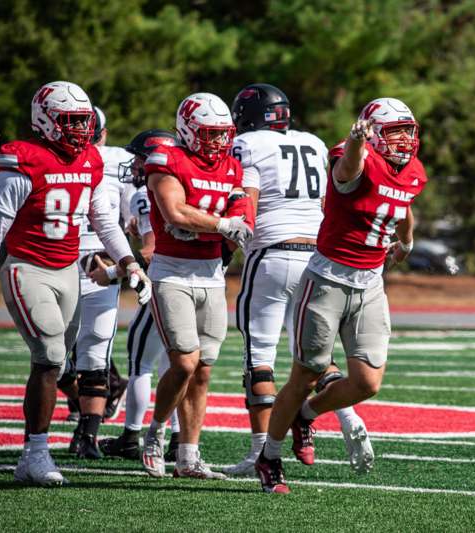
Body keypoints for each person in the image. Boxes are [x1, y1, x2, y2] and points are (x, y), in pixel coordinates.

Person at [0, 81, 151, 486]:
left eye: (83, 121)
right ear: (45, 120)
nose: (80, 129)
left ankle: (34, 451)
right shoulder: (24, 158)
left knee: (59, 362)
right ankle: (36, 453)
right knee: (48, 357)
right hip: (27, 269)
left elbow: (102, 219)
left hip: (69, 272)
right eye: (70, 120)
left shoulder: (90, 159)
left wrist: (129, 261)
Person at [255, 97, 427, 493]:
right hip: (328, 280)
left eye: (407, 130)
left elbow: (404, 203)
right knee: (305, 374)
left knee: (367, 382)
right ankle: (270, 457)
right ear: (372, 132)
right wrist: (356, 142)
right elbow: (347, 172)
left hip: (371, 284)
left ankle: (306, 415)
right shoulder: (355, 155)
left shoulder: (413, 170)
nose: (404, 139)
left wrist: (406, 242)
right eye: (394, 131)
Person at [223, 83, 371, 476]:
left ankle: (260, 453)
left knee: (260, 359)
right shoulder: (312, 143)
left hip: (272, 254)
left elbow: (247, 201)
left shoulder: (247, 144)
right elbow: (327, 202)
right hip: (315, 256)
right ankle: (349, 418)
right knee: (313, 355)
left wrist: (229, 245)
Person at [140, 93, 253, 479]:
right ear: (187, 131)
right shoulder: (167, 159)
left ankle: (188, 456)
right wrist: (220, 224)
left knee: (203, 370)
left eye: (223, 133)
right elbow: (175, 212)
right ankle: (155, 432)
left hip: (211, 274)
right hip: (172, 273)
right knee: (184, 363)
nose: (218, 141)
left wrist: (219, 222)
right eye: (209, 133)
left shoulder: (231, 166)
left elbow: (241, 212)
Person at [98, 129, 182, 461]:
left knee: (141, 363)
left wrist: (110, 273)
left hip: (164, 284)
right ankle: (180, 440)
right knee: (176, 366)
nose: (133, 165)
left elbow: (151, 251)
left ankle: (131, 436)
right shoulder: (188, 184)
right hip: (198, 284)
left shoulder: (146, 193)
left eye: (138, 158)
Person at [68, 106, 134, 459]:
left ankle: (87, 434)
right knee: (54, 356)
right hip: (56, 261)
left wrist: (123, 260)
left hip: (99, 260)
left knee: (95, 349)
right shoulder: (47, 160)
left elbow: (130, 218)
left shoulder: (117, 162)